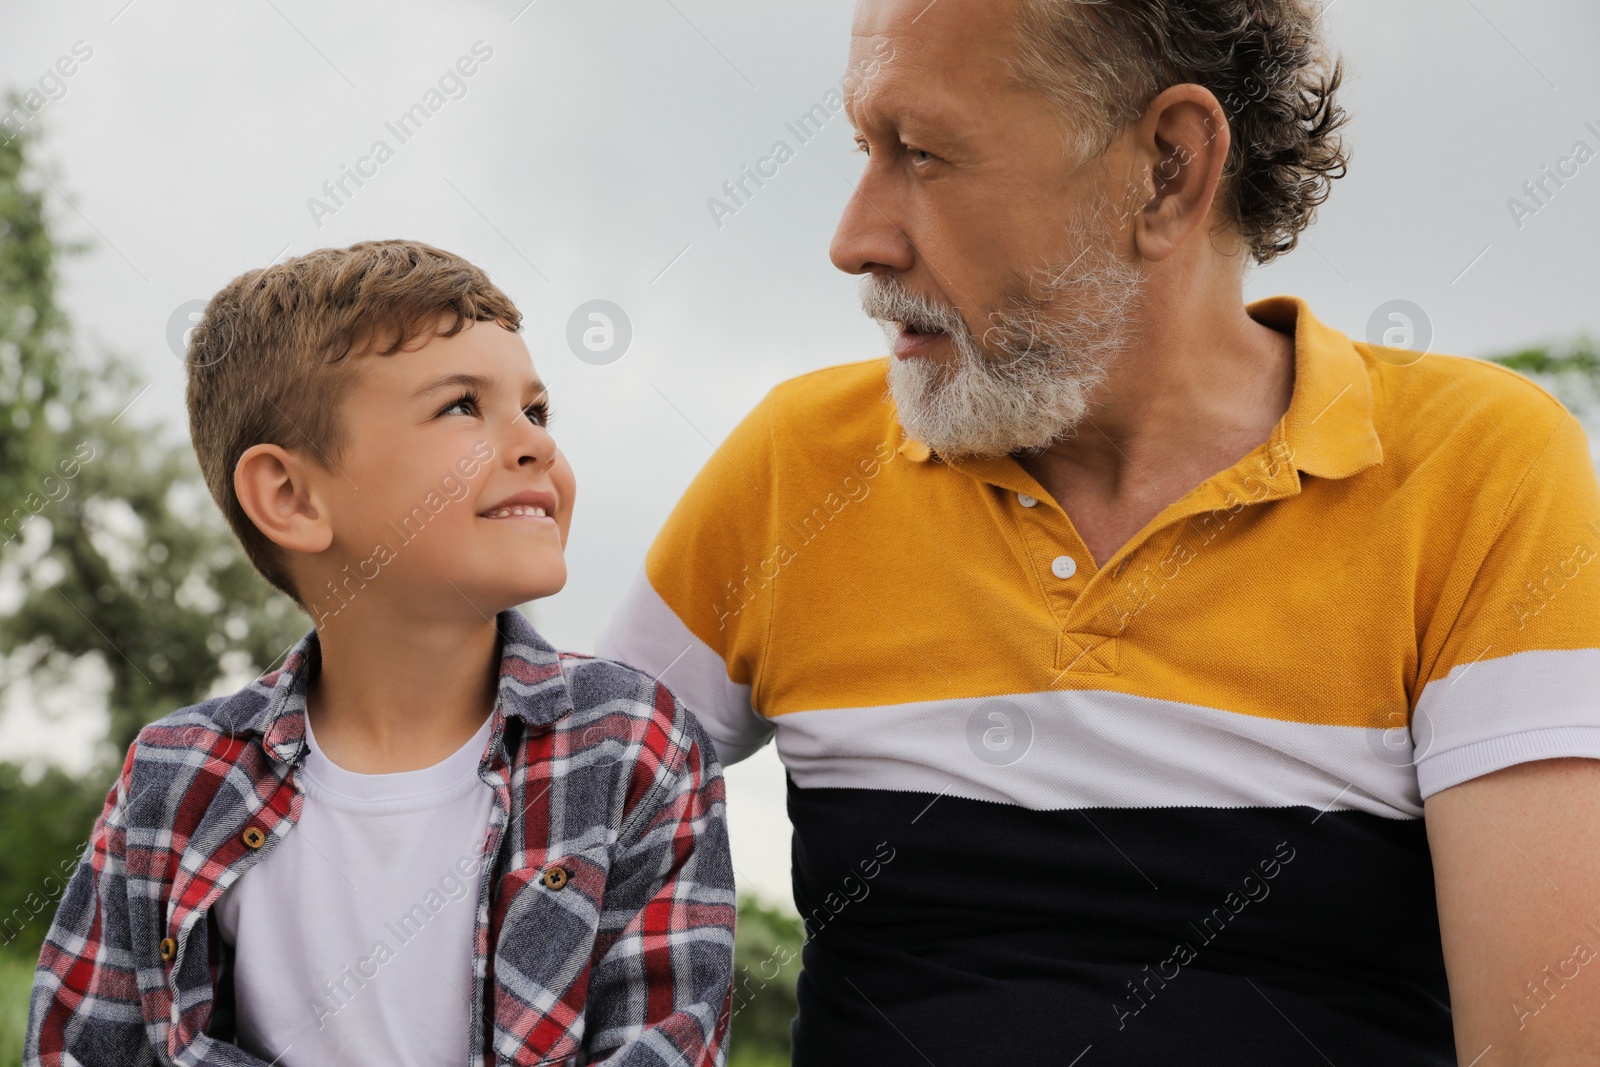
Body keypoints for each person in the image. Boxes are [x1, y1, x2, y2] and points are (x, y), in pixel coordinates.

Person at [596, 0, 1600, 1062]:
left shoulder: (1477, 470)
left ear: (1166, 167)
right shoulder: (799, 465)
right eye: (866, 147)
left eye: (925, 154)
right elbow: (540, 811)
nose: (855, 239)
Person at [26, 240, 736, 1067]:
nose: (536, 444)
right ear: (290, 497)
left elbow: (666, 1046)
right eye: (463, 407)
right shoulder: (173, 782)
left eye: (537, 411)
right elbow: (76, 1048)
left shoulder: (634, 747)